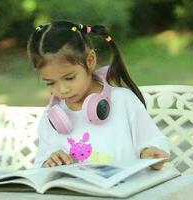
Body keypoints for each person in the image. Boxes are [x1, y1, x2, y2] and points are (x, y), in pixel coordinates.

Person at [27, 20, 169, 170]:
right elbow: (40, 167)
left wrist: (150, 154)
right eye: (50, 83)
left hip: (124, 191)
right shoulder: (52, 118)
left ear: (90, 60)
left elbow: (153, 142)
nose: (62, 90)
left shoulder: (123, 101)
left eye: (69, 78)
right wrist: (48, 163)